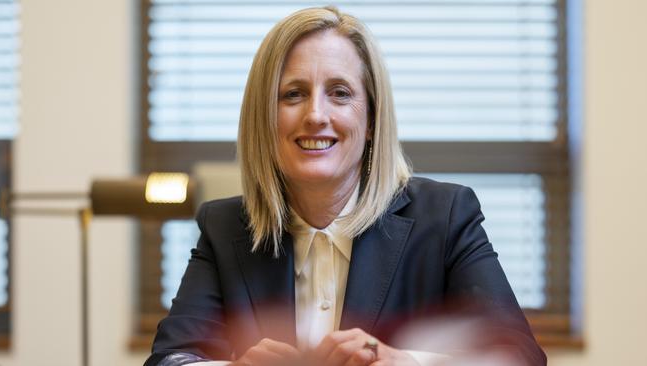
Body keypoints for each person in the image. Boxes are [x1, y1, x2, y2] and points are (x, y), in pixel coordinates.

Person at [145, 6, 546, 366]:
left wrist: (402, 362)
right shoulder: (225, 226)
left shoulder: (445, 217)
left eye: (339, 93)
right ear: (264, 118)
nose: (316, 114)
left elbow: (517, 356)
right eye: (292, 94)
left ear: (371, 120)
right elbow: (169, 359)